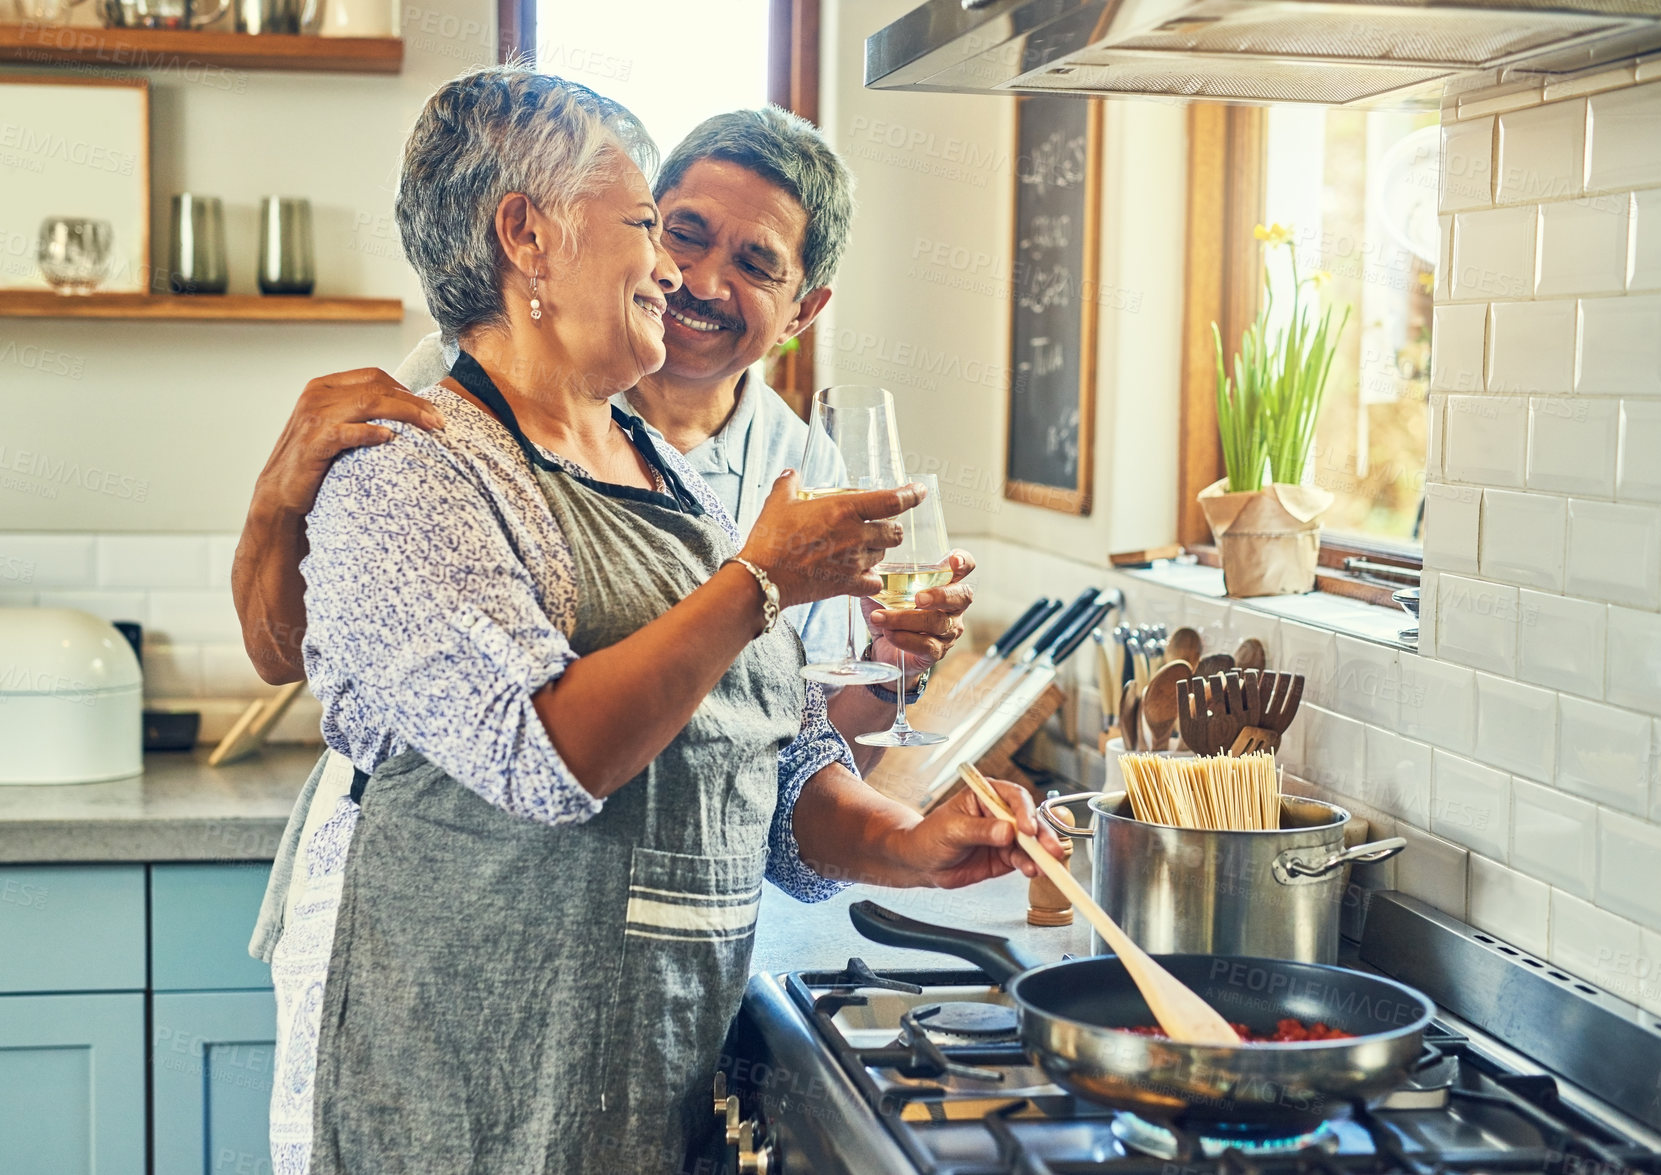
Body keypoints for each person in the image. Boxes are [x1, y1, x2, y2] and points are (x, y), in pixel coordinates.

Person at [267, 66, 1060, 1175]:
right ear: (527, 238)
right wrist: (760, 583)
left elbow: (773, 755)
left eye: (745, 259)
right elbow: (539, 750)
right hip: (476, 1054)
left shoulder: (672, 476)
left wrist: (907, 844)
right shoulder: (418, 453)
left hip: (641, 1043)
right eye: (654, 225)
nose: (675, 270)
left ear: (801, 308)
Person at [233, 108, 971, 768]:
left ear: (802, 313)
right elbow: (280, 653)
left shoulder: (808, 467)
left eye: (755, 264)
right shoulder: (455, 380)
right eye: (679, 232)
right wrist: (277, 497)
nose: (695, 279)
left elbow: (796, 757)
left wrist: (893, 667)